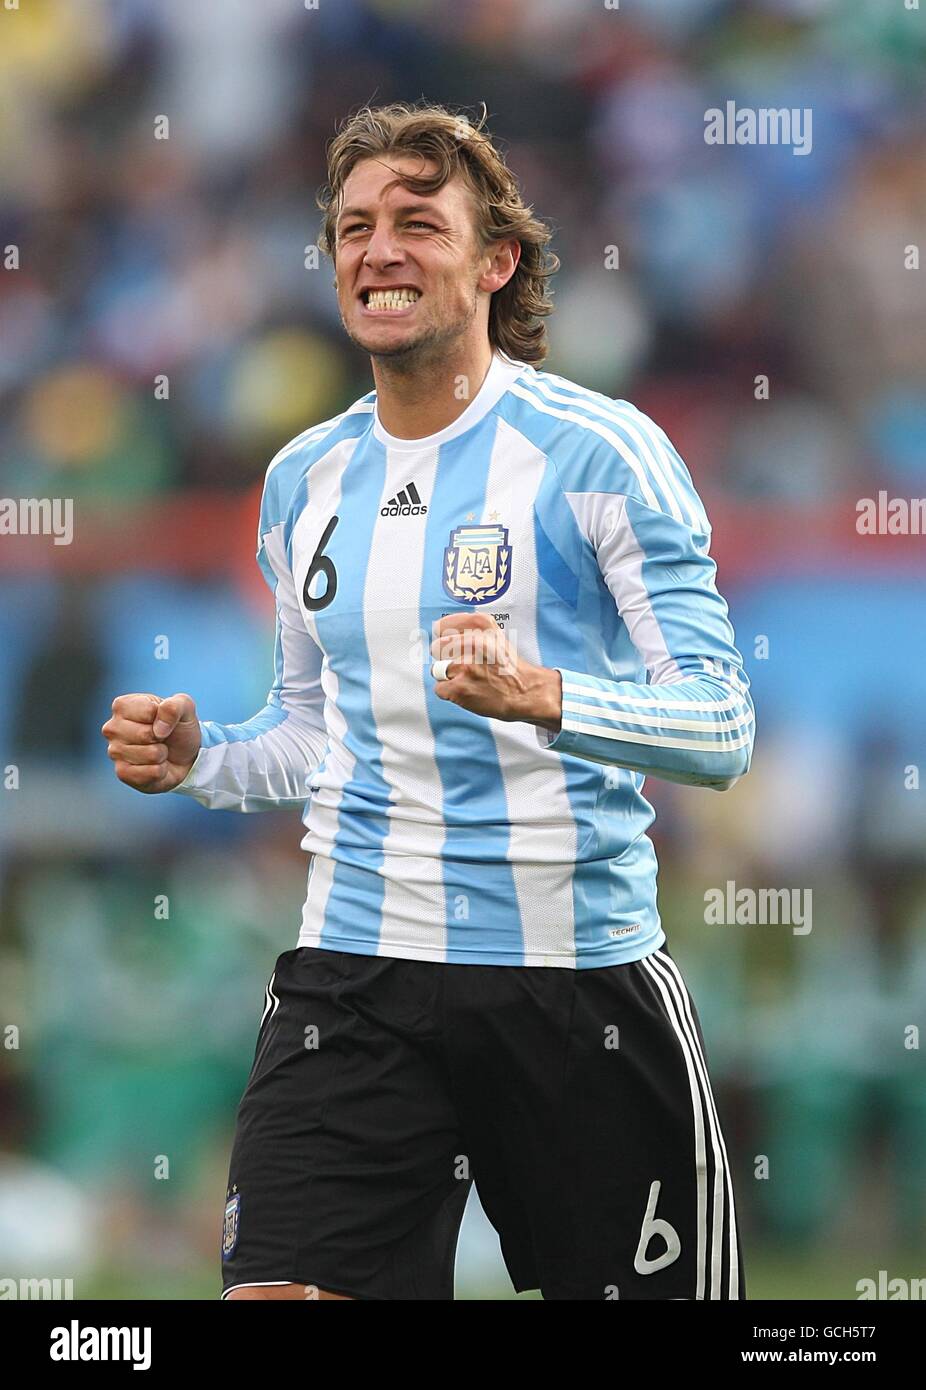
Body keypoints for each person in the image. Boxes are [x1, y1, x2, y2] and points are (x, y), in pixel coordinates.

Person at [101, 101, 755, 1301]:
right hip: (353, 973)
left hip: (575, 985)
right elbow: (312, 735)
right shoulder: (305, 477)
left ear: (495, 261)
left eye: (416, 221)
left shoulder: (598, 452)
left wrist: (542, 694)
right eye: (353, 227)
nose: (377, 250)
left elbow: (719, 726)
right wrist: (202, 756)